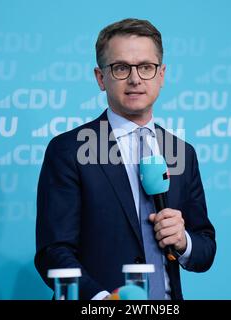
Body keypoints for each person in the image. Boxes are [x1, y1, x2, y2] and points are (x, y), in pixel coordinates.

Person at [35, 18, 216, 300]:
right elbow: (53, 253)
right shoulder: (69, 150)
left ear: (161, 75)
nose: (135, 79)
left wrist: (183, 241)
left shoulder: (181, 152)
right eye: (121, 68)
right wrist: (106, 301)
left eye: (146, 67)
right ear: (100, 78)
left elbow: (205, 249)